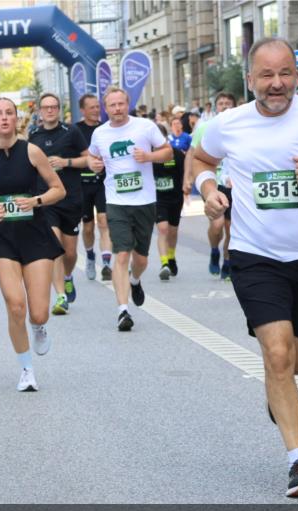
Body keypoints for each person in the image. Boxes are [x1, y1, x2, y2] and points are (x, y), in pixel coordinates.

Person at [191, 37, 298, 497]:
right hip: (254, 256)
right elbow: (200, 159)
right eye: (266, 75)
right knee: (277, 355)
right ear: (250, 79)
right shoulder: (228, 124)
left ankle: (279, 392)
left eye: (284, 73)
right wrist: (209, 190)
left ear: (296, 75)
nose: (276, 83)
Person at [0, 98, 66, 391]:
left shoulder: (32, 151)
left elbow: (59, 189)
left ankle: (39, 327)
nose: (4, 118)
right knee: (15, 305)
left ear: (15, 119)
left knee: (38, 312)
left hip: (35, 234)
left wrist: (34, 201)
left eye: (9, 113)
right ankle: (26, 370)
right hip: (4, 238)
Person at [88, 86, 173, 332]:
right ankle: (122, 311)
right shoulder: (100, 134)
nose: (117, 109)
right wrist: (94, 165)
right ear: (106, 108)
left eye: (121, 104)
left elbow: (167, 152)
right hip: (116, 202)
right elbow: (94, 160)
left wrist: (148, 157)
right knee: (122, 254)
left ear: (128, 104)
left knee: (141, 259)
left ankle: (135, 280)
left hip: (144, 201)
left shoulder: (145, 127)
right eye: (112, 105)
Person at [28, 93, 89, 314]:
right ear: (40, 111)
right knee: (54, 245)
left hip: (71, 197)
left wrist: (66, 162)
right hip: (46, 199)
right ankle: (61, 296)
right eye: (46, 107)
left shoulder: (71, 131)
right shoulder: (33, 134)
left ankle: (68, 275)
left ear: (59, 110)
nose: (50, 111)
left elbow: (88, 159)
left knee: (70, 252)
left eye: (54, 107)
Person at [184, 91, 237, 279]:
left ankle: (228, 262)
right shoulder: (205, 127)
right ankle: (214, 250)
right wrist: (187, 178)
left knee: (232, 229)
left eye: (228, 103)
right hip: (214, 183)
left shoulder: (242, 128)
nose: (225, 106)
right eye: (221, 103)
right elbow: (193, 154)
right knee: (217, 224)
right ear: (216, 107)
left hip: (235, 186)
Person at [77, 93, 113, 281]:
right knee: (88, 227)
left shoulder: (106, 129)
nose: (96, 110)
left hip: (102, 183)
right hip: (82, 184)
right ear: (82, 110)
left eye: (97, 107)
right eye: (91, 107)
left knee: (104, 220)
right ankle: (90, 256)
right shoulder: (75, 131)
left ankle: (107, 263)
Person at [152, 124, 187, 280]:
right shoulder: (148, 156)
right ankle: (164, 263)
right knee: (163, 229)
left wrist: (187, 186)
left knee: (172, 231)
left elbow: (186, 172)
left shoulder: (176, 154)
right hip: (157, 199)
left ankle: (171, 257)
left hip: (175, 198)